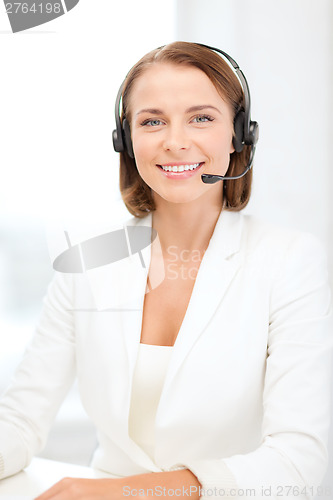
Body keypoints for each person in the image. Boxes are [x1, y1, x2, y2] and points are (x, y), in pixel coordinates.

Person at [0, 41, 332, 500]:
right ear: (125, 140)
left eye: (201, 117)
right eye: (152, 121)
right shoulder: (88, 264)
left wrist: (125, 493)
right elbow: (19, 422)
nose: (175, 141)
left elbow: (298, 461)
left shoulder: (290, 260)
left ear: (239, 135)